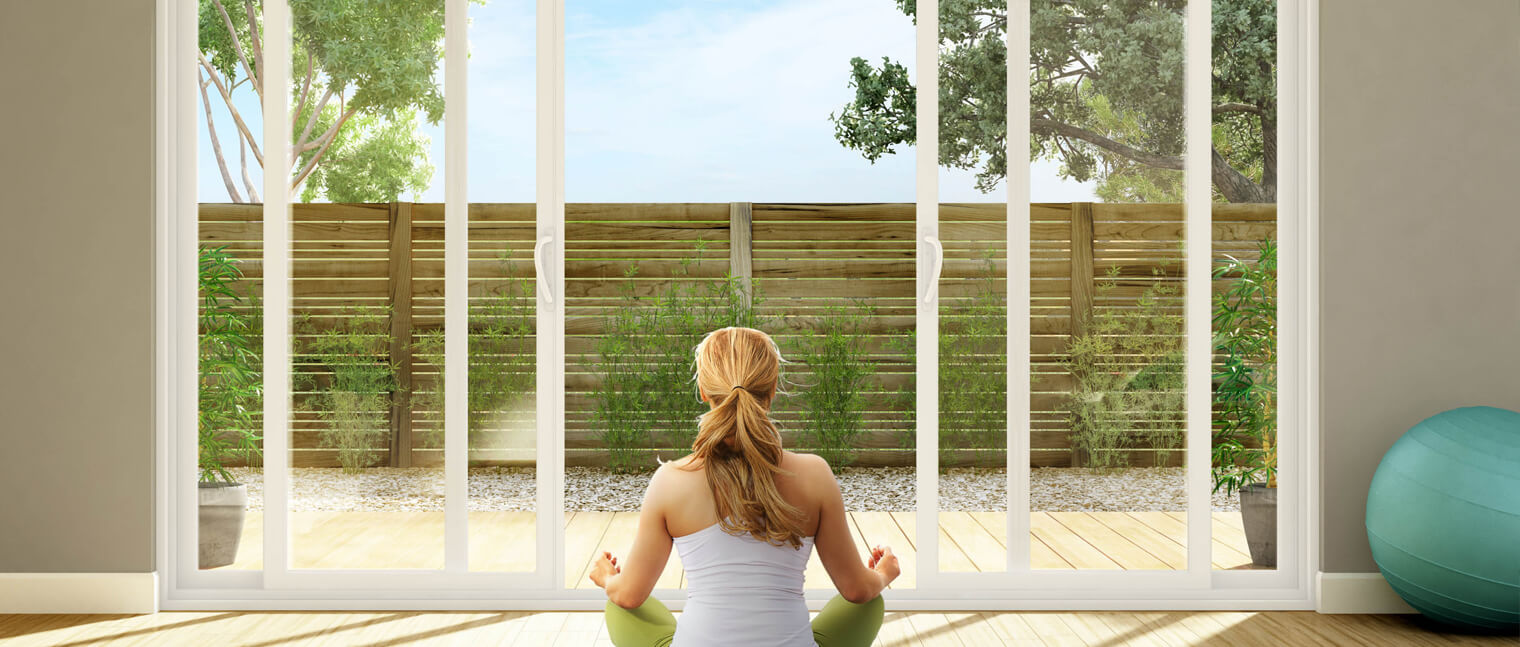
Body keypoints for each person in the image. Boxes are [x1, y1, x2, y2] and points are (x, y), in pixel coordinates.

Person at [591, 326, 899, 647]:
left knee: (621, 606)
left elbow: (628, 596)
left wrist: (609, 579)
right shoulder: (815, 474)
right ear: (773, 389)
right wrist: (882, 574)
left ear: (703, 391)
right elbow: (857, 590)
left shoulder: (670, 479)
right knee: (868, 602)